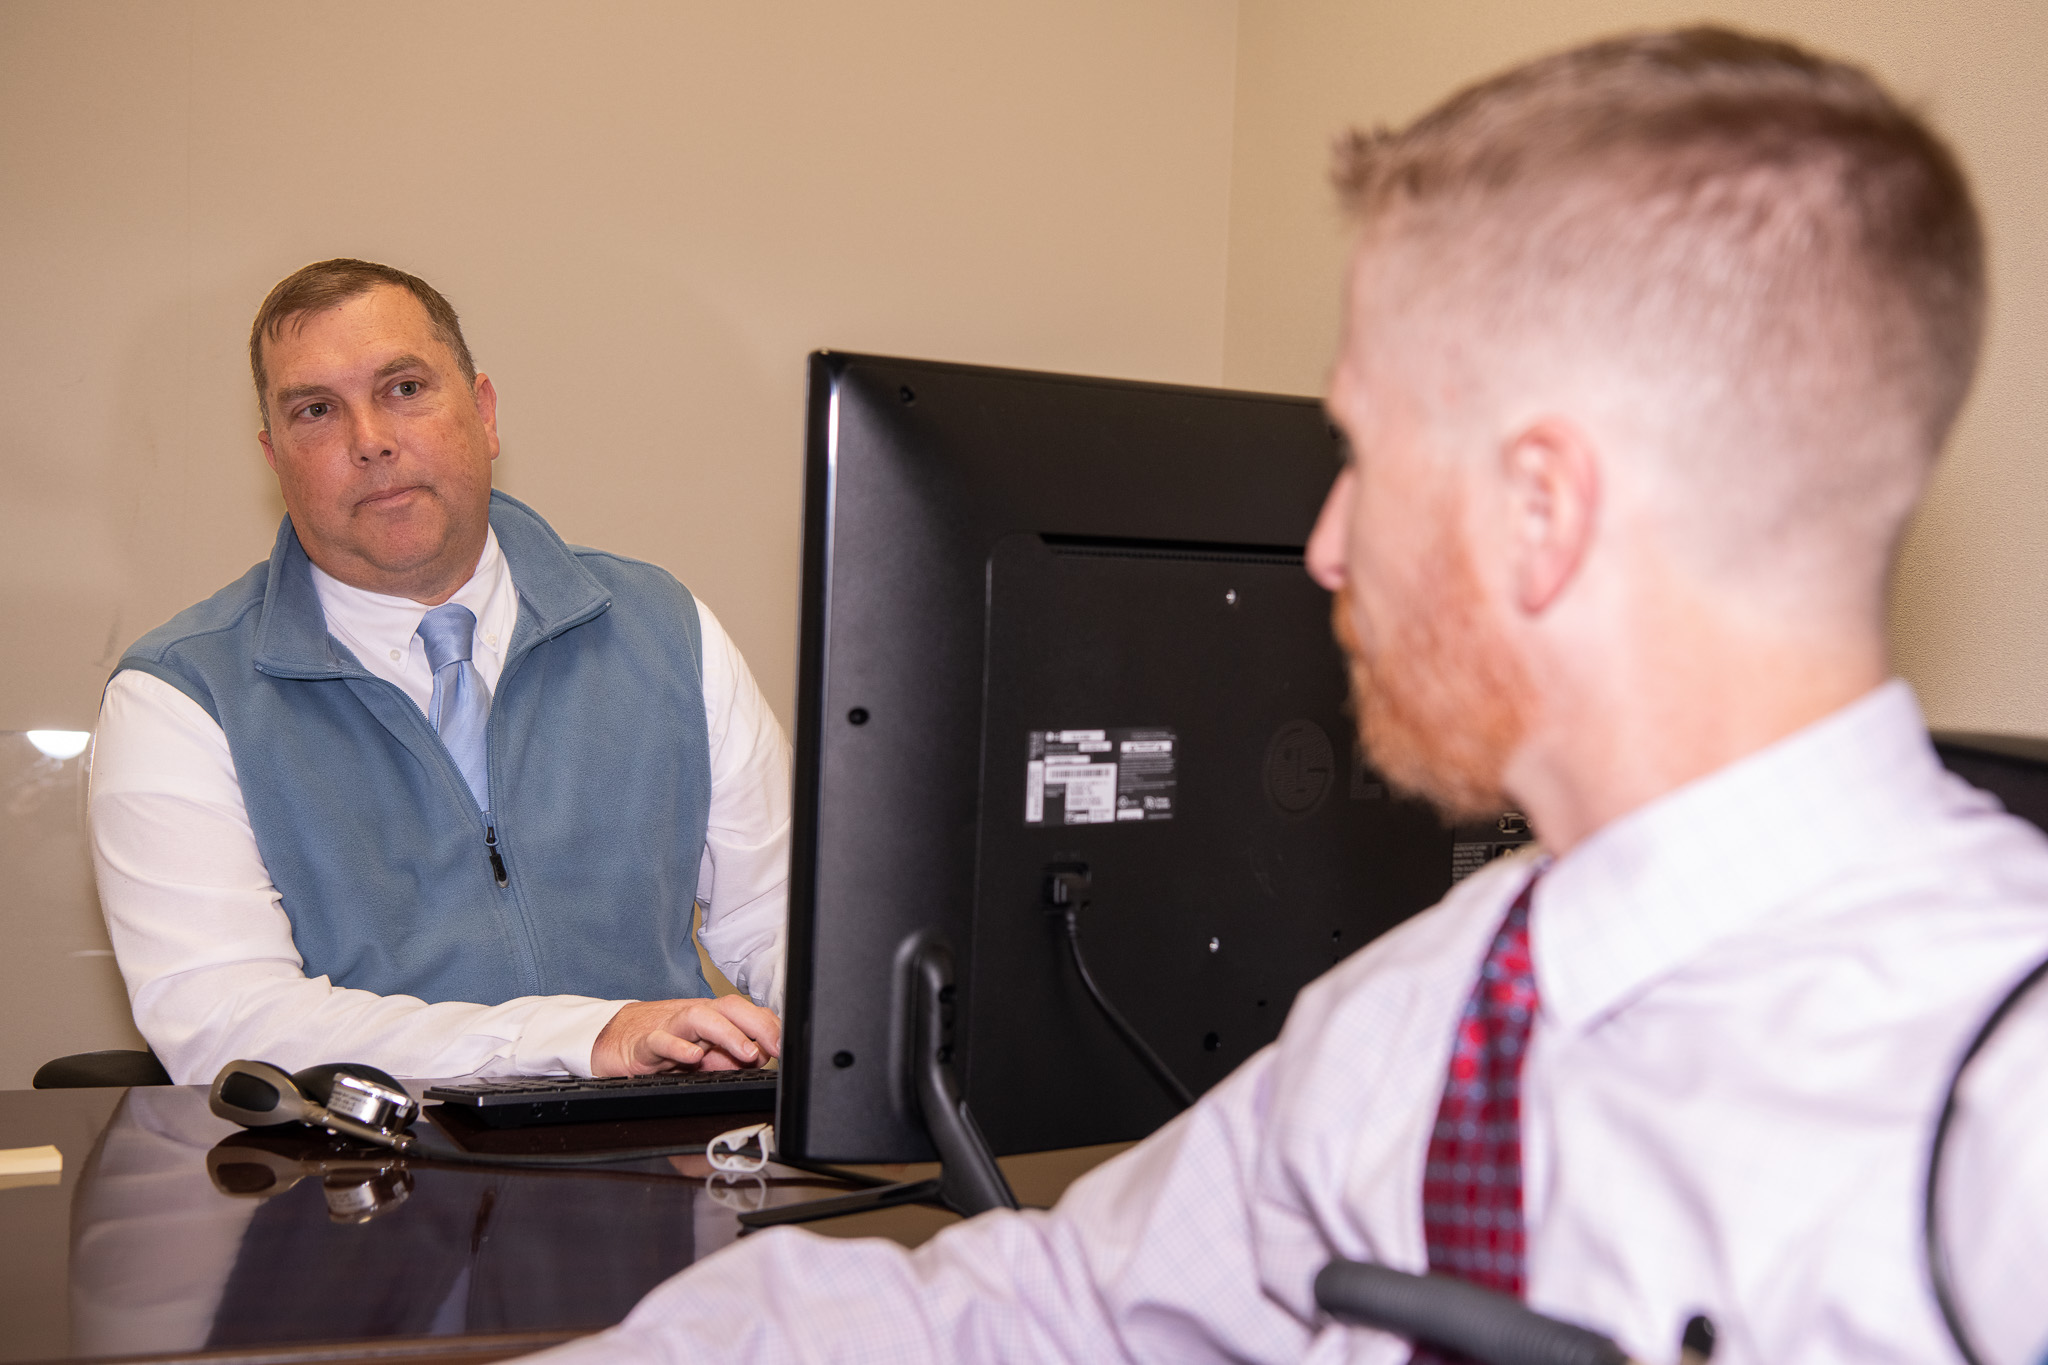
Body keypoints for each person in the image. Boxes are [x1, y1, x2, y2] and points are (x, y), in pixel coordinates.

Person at [535, 27, 2048, 1365]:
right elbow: (1050, 1309)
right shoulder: (1432, 1010)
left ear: (1544, 508)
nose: (1324, 550)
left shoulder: (2002, 1112)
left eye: (1364, 461)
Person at [90, 259, 788, 1084]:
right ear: (275, 459)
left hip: (666, 1175)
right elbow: (226, 1023)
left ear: (485, 413)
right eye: (316, 410)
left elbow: (783, 923)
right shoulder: (178, 698)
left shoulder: (666, 628)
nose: (370, 439)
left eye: (405, 388)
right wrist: (579, 1035)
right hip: (352, 1193)